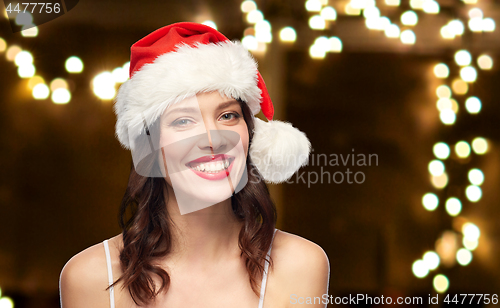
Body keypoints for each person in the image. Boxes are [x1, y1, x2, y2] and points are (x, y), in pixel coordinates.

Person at [59, 22, 330, 308]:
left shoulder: (300, 265)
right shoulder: (90, 277)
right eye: (183, 121)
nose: (212, 140)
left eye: (227, 116)